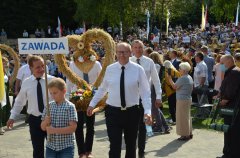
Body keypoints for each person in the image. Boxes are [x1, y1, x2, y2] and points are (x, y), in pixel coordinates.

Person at [87, 42, 152, 158]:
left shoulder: (138, 69)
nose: (122, 54)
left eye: (125, 52)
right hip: (113, 113)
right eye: (119, 52)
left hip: (132, 112)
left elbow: (145, 92)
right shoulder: (110, 69)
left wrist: (148, 111)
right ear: (116, 53)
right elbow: (102, 89)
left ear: (130, 52)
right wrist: (92, 104)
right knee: (114, 146)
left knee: (131, 146)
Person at [7, 55, 55, 158]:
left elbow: (62, 99)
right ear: (30, 68)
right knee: (37, 150)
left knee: (54, 149)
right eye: (37, 67)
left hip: (52, 119)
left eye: (43, 66)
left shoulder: (52, 81)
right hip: (34, 120)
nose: (41, 69)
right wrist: (12, 117)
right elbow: (20, 102)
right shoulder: (27, 82)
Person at [130, 40, 162, 158]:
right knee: (131, 127)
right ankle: (132, 152)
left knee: (143, 126)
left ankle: (141, 152)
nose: (138, 50)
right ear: (132, 49)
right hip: (131, 99)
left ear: (143, 49)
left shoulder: (149, 62)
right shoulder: (128, 62)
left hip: (145, 99)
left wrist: (158, 96)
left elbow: (156, 80)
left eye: (140, 47)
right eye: (136, 47)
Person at [66, 59, 102, 158]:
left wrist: (99, 95)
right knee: (79, 126)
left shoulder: (96, 64)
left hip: (92, 97)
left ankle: (88, 151)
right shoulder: (73, 64)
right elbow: (69, 81)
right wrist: (67, 98)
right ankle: (81, 152)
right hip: (77, 96)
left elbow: (102, 79)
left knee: (90, 126)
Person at [41, 78, 78, 158]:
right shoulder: (48, 106)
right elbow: (43, 127)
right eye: (51, 93)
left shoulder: (70, 107)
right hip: (50, 147)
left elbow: (73, 128)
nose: (52, 96)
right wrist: (45, 122)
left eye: (55, 93)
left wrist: (54, 130)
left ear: (64, 91)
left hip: (66, 147)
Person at [217, 55, 240, 158]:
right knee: (229, 131)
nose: (221, 66)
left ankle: (230, 154)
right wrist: (219, 94)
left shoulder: (234, 72)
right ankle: (228, 152)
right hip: (231, 106)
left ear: (229, 62)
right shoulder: (231, 72)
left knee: (232, 131)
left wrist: (224, 100)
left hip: (232, 107)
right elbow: (225, 86)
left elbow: (231, 90)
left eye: (222, 63)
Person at [168, 62, 193, 140]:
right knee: (187, 117)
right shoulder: (189, 77)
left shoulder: (183, 78)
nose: (179, 70)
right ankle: (189, 133)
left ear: (184, 70)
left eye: (180, 69)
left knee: (182, 117)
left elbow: (174, 87)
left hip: (182, 100)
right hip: (187, 99)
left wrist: (170, 79)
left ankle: (184, 134)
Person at [149, 52, 171, 134]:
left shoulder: (155, 66)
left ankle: (160, 126)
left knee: (155, 108)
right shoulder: (159, 65)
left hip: (154, 87)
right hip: (155, 87)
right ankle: (164, 126)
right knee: (156, 108)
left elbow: (153, 79)